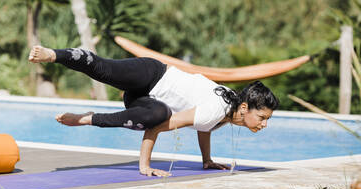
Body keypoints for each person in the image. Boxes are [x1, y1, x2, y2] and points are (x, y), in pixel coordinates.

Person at [28, 46, 279, 177]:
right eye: (262, 117)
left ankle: (86, 118)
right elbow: (159, 128)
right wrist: (144, 166)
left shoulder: (230, 108)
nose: (264, 123)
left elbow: (204, 128)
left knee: (157, 112)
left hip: (147, 100)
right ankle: (53, 55)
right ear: (245, 108)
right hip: (150, 74)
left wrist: (207, 161)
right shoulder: (218, 109)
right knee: (103, 70)